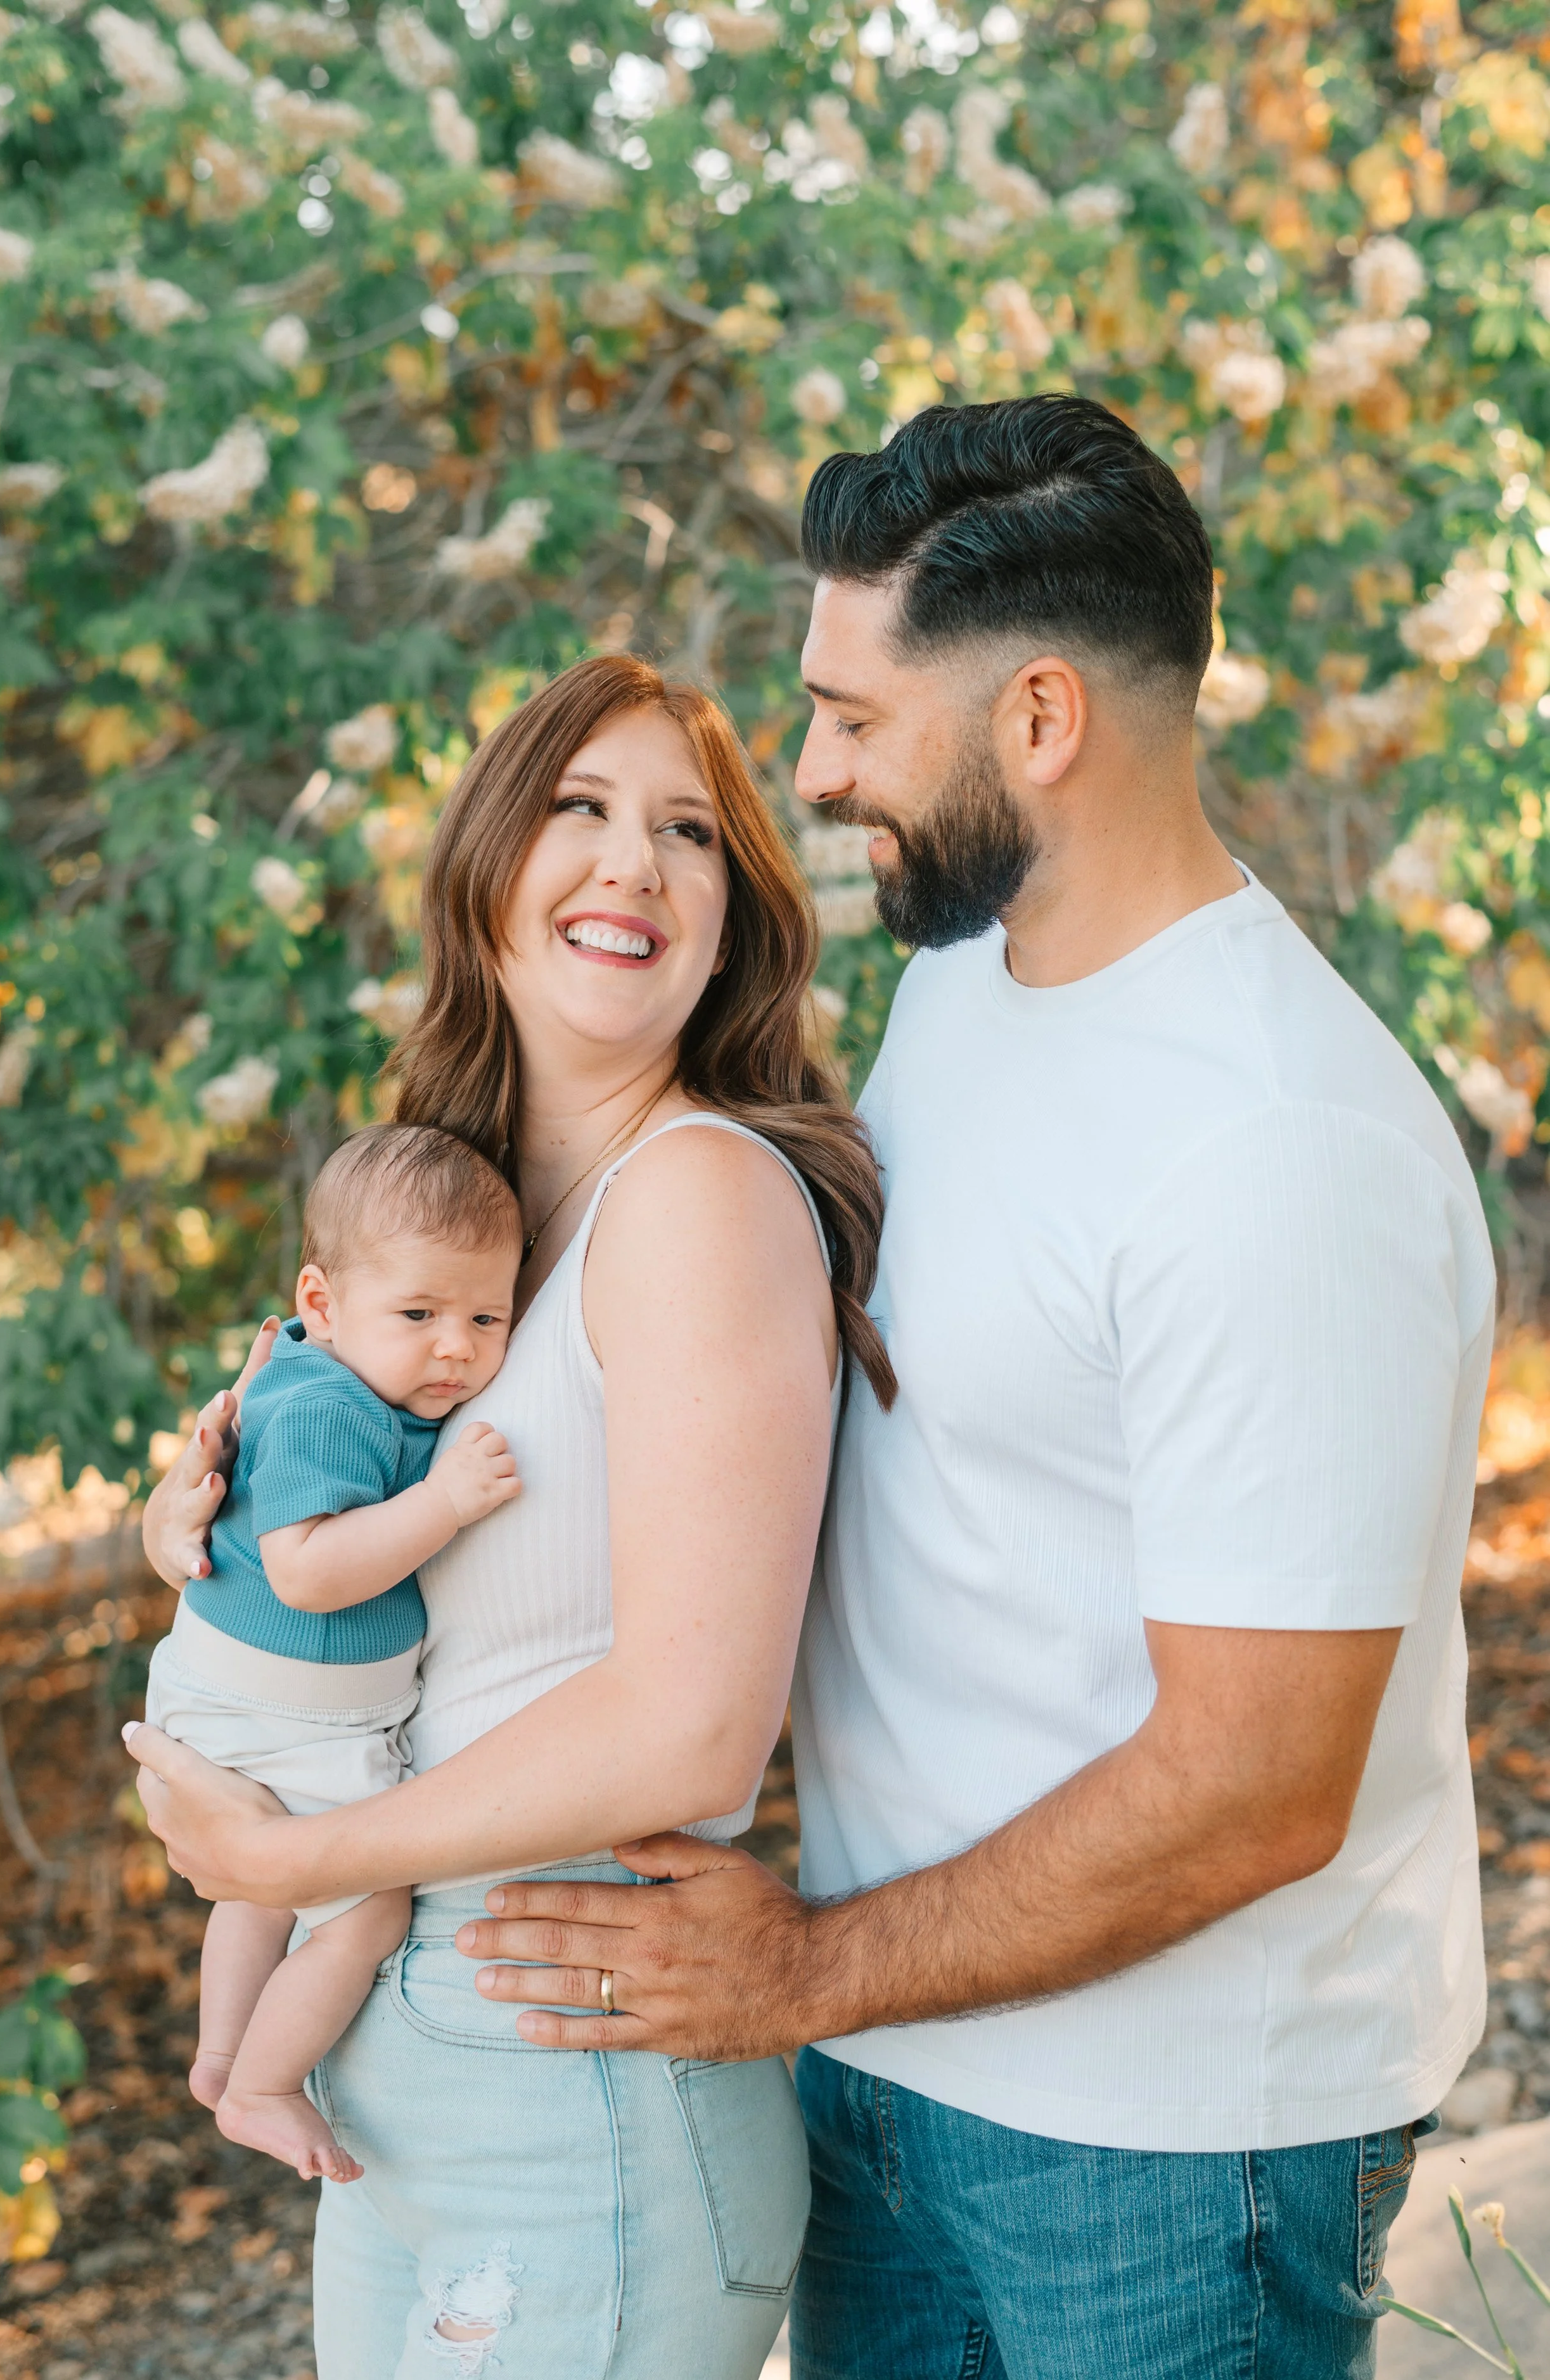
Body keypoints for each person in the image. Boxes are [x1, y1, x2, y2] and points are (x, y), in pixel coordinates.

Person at [435, 398, 1495, 2380]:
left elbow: (1254, 1788)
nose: (814, 772)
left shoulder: (1274, 1148)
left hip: (1164, 2146)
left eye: (852, 714)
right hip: (890, 2050)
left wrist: (800, 1966)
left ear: (1038, 719)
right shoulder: (966, 980)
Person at [125, 654, 895, 2380]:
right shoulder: (450, 1212)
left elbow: (693, 1723)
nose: (633, 861)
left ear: (730, 922)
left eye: (687, 832)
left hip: (566, 2063)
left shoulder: (694, 1197)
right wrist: (202, 1521)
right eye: (581, 808)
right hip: (397, 2073)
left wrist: (291, 1862)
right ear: (486, 869)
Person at [145, 1123, 522, 2182]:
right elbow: (308, 1571)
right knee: (369, 1911)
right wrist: (445, 1503)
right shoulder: (326, 1407)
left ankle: (225, 2058)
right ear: (320, 1302)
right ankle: (264, 2086)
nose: (456, 1347)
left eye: (486, 1318)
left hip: (257, 1702)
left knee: (256, 1890)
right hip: (281, 1710)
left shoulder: (357, 1385)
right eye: (419, 1315)